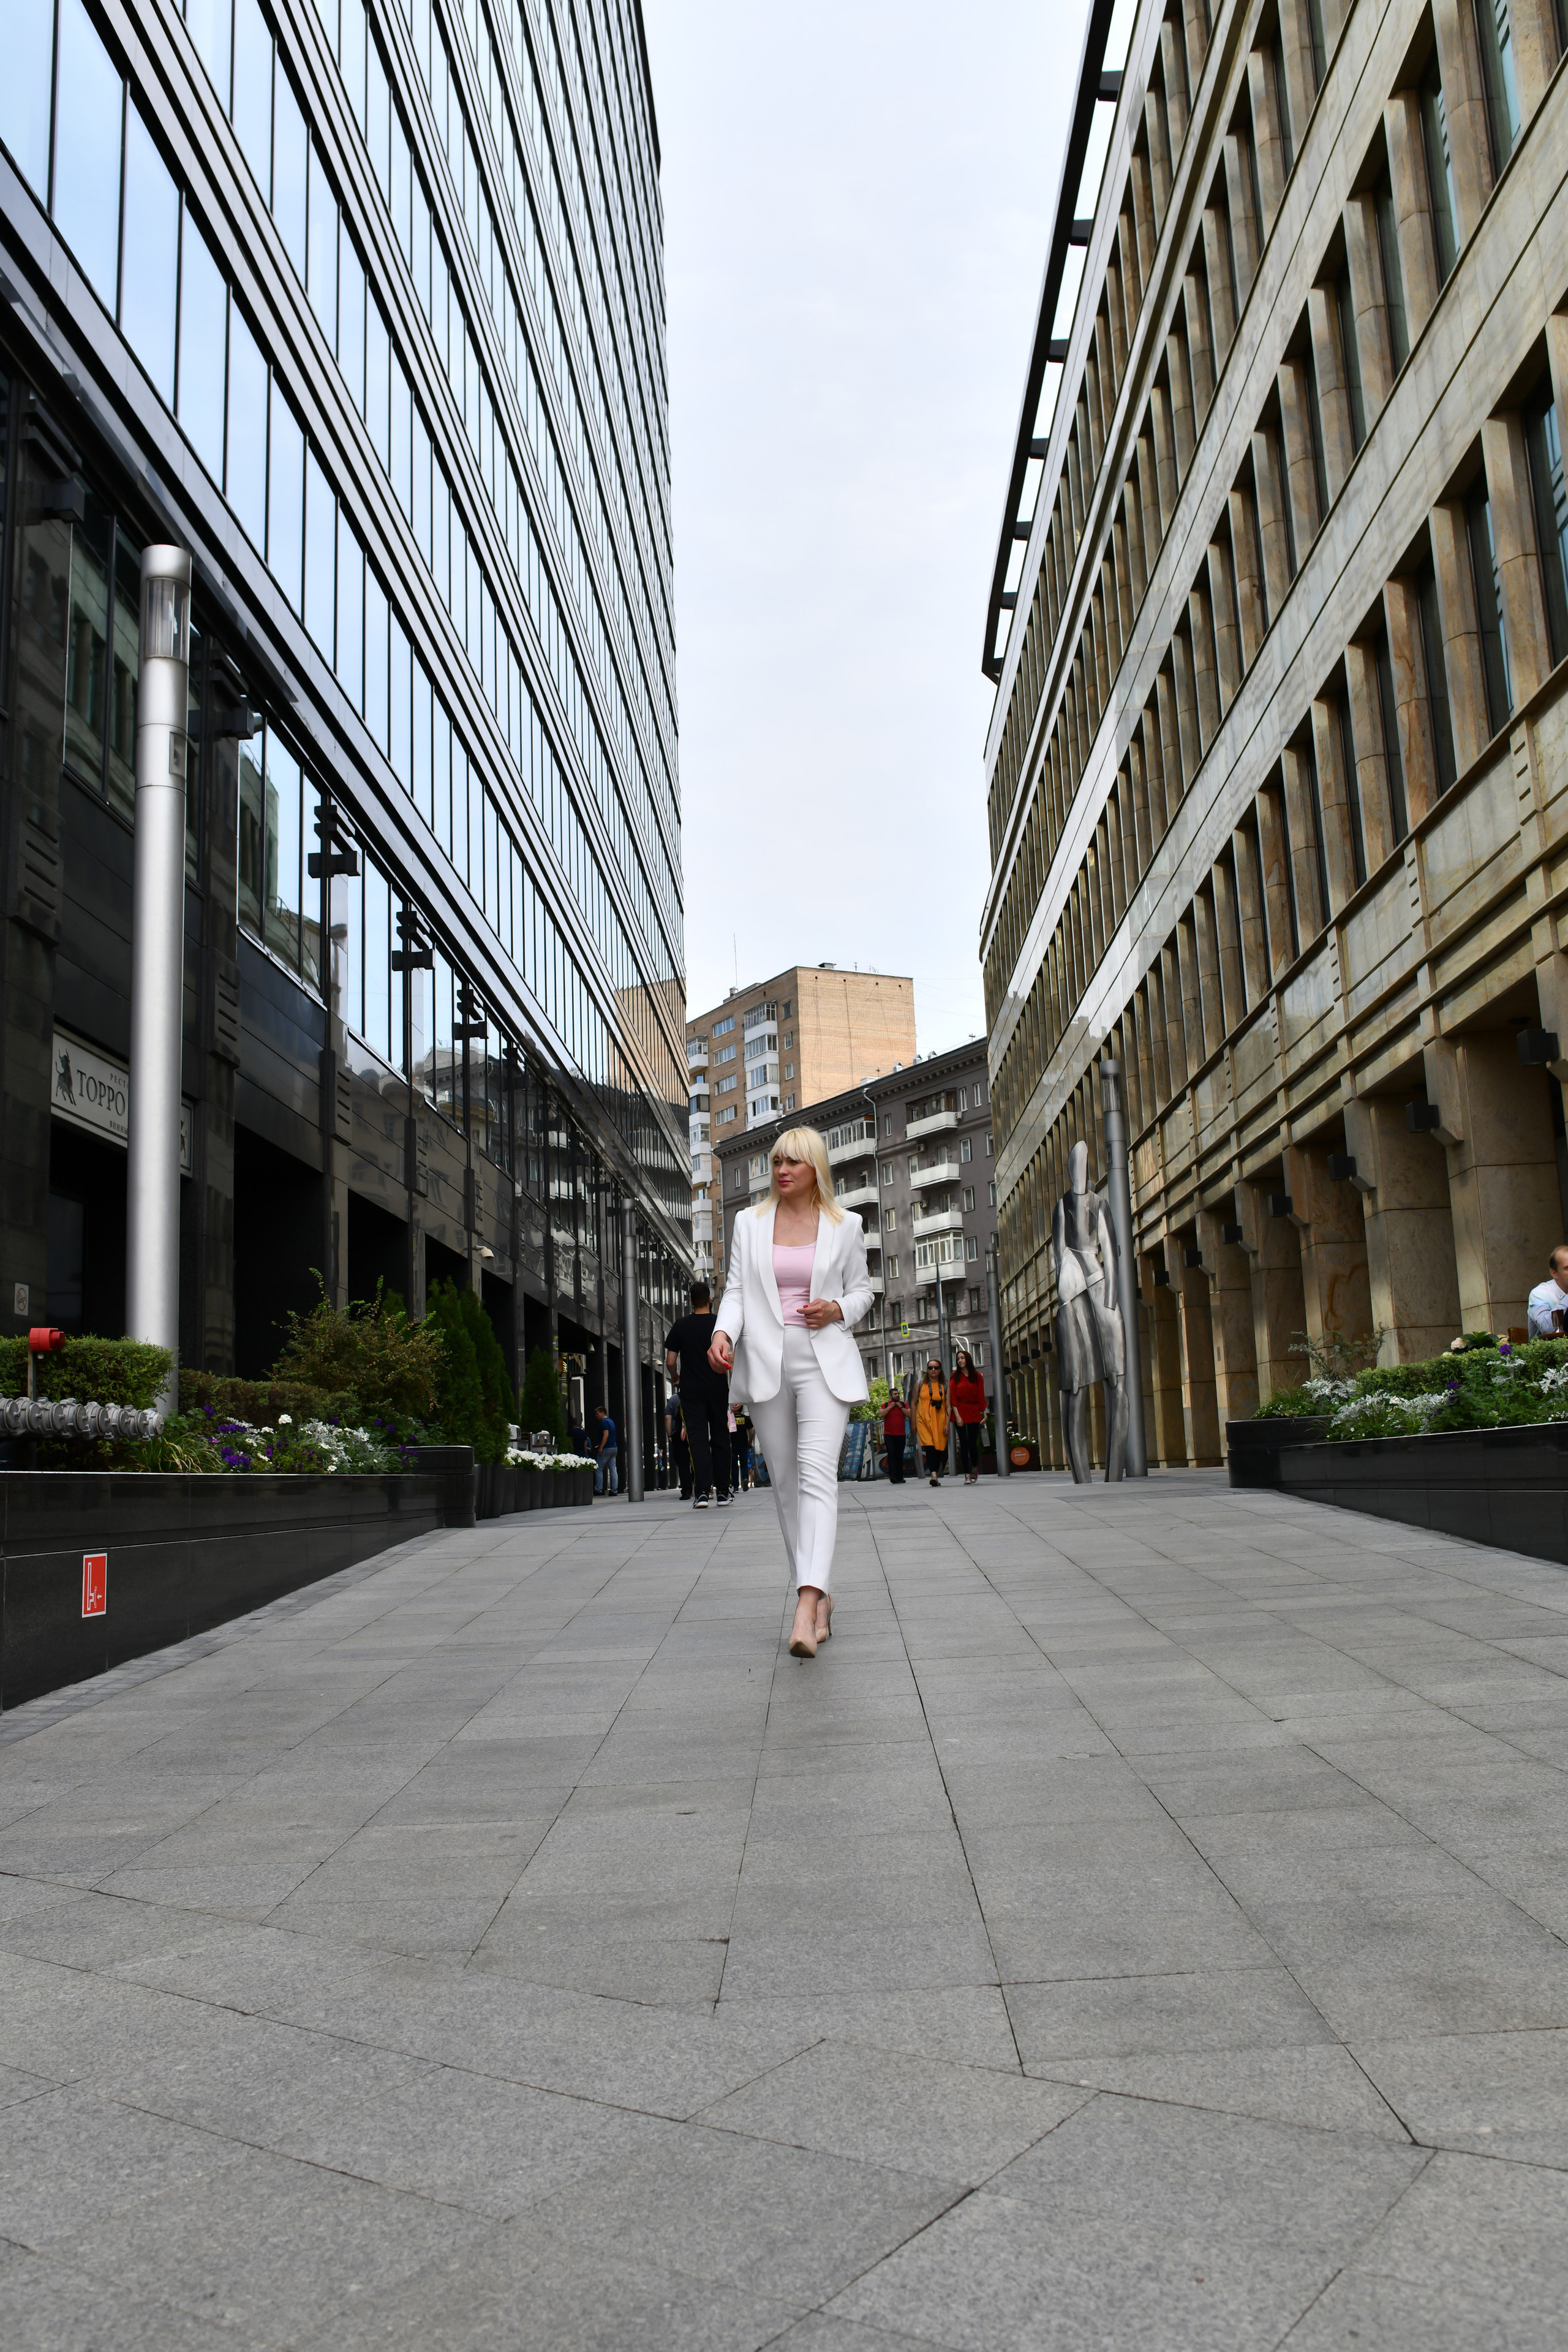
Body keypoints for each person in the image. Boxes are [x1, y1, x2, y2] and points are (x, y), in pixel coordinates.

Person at [709, 1124, 873, 1658]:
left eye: (794, 1163)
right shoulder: (749, 1223)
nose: (782, 1170)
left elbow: (863, 1292)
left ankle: (805, 1603)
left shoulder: (845, 1225)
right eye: (778, 1161)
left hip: (823, 1363)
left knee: (816, 1478)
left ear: (815, 1170)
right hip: (767, 1365)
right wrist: (722, 1332)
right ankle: (822, 1594)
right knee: (785, 1488)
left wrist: (836, 1309)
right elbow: (736, 1290)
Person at [665, 1278, 731, 1509]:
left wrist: (676, 1377)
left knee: (698, 1440)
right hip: (717, 1388)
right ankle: (724, 1492)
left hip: (691, 1391)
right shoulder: (719, 1326)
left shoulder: (681, 1326)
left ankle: (702, 1493)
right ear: (710, 1301)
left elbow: (671, 1361)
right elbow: (731, 1357)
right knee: (721, 1436)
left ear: (691, 1301)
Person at [950, 1350, 987, 1483]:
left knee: (972, 1443)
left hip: (974, 1410)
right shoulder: (955, 1377)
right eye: (958, 1359)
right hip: (959, 1410)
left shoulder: (977, 1376)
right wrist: (958, 1416)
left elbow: (981, 1395)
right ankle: (966, 1474)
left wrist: (984, 1412)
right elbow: (953, 1397)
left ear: (968, 1360)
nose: (960, 1361)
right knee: (963, 1444)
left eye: (962, 1358)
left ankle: (974, 1467)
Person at [914, 1359, 948, 1486]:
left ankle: (936, 1473)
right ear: (927, 1370)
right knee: (929, 1447)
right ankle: (933, 1475)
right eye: (930, 1368)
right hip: (923, 1420)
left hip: (940, 1421)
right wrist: (913, 1422)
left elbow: (948, 1406)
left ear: (940, 1370)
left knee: (939, 1449)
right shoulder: (920, 1384)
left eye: (936, 1367)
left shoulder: (944, 1385)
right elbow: (913, 1403)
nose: (933, 1370)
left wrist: (947, 1424)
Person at [1527, 1246, 1568, 1338]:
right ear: (1554, 1273)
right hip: (1546, 1351)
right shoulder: (1539, 1294)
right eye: (1567, 1268)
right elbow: (1547, 1328)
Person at [881, 1389, 908, 1483]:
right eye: (895, 1394)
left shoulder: (904, 1404)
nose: (897, 1395)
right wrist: (890, 1407)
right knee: (892, 1455)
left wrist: (901, 1407)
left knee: (899, 1456)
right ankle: (892, 1476)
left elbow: (910, 1415)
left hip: (901, 1434)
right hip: (889, 1435)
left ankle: (900, 1476)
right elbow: (880, 1415)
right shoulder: (885, 1405)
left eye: (898, 1394)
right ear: (891, 1396)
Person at [592, 1404, 618, 1494]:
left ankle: (598, 1489)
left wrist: (601, 1447)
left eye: (597, 1414)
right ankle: (614, 1490)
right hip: (614, 1447)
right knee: (613, 1469)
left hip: (607, 1448)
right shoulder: (611, 1421)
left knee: (599, 1469)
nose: (596, 1416)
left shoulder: (604, 1422)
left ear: (602, 1413)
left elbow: (606, 1435)